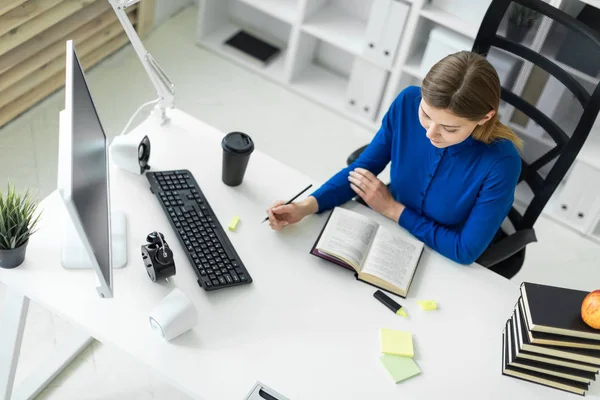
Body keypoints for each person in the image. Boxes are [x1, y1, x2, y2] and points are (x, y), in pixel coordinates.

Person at [266, 51, 522, 265]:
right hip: (387, 229)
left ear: (485, 118)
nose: (431, 133)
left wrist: (392, 209)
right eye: (426, 115)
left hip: (441, 253)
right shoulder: (407, 101)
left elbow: (464, 250)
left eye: (450, 128)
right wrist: (306, 207)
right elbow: (363, 169)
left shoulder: (502, 163)